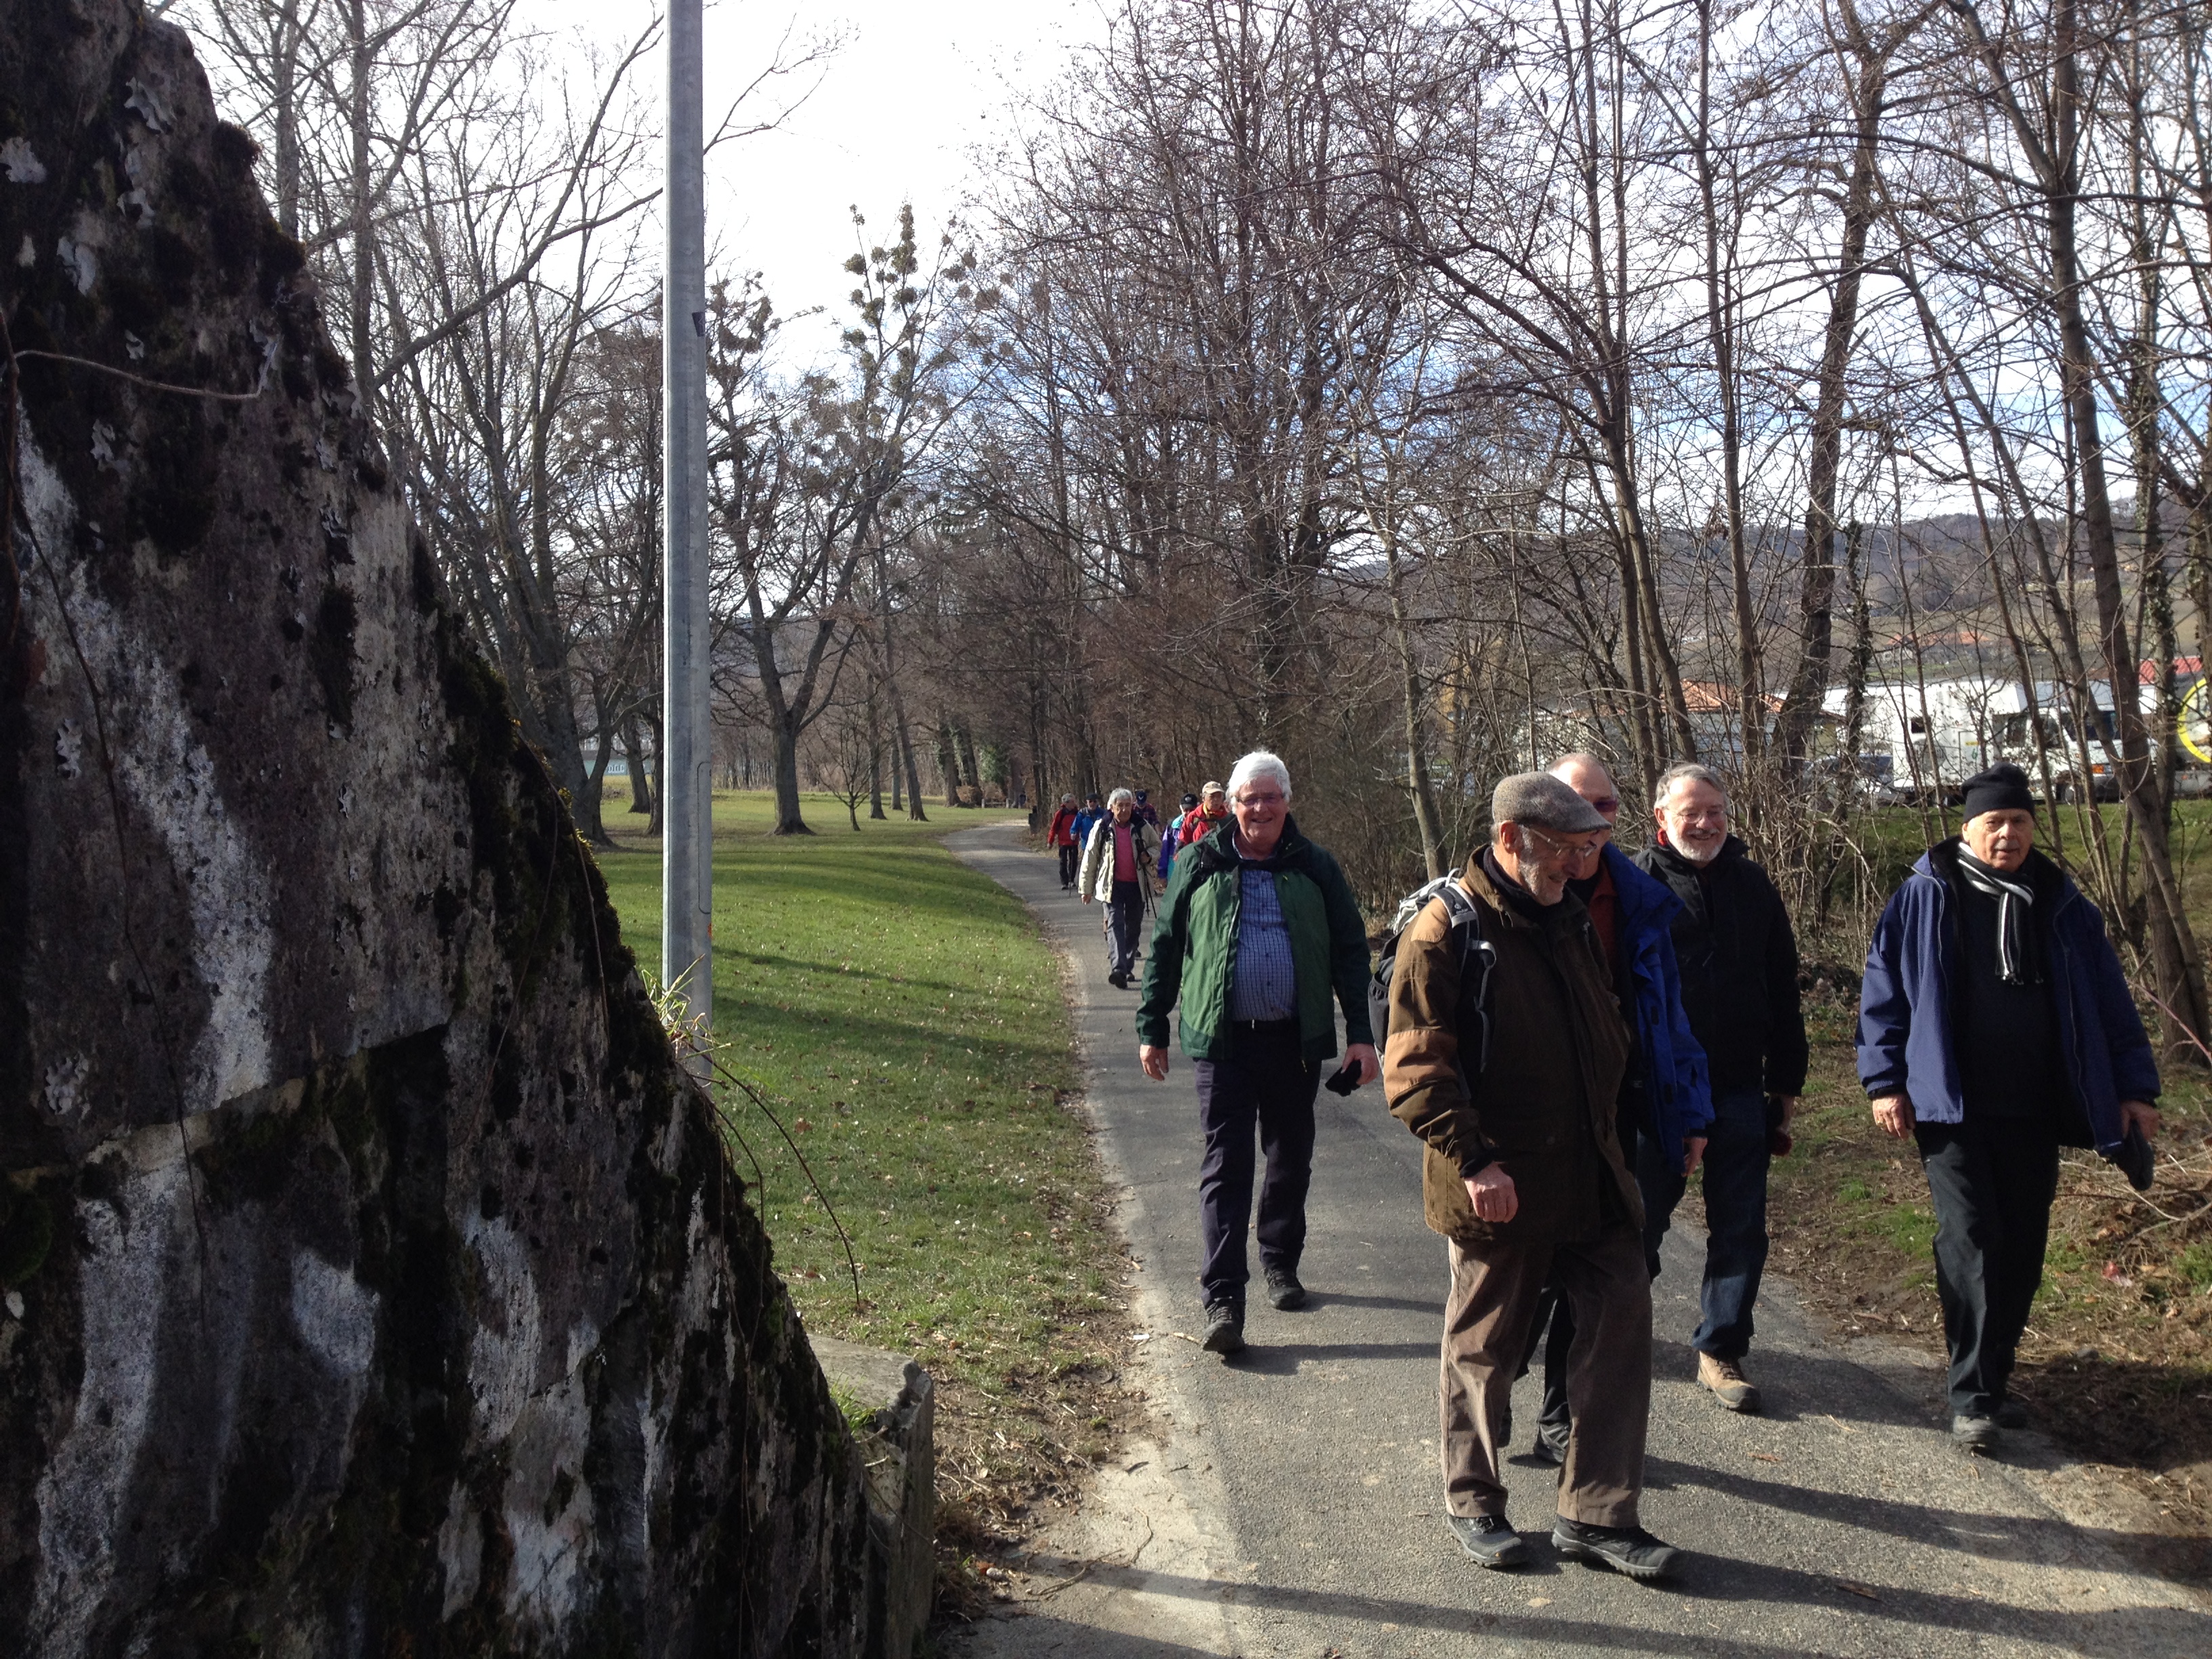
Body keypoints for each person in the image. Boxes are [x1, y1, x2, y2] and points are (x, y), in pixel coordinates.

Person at [1385, 772, 1681, 1578]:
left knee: (1620, 1320)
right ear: (1512, 838)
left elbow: (1607, 1032)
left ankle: (1598, 1514)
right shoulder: (1445, 930)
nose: (1580, 865)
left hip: (1590, 1169)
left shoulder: (1570, 916)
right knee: (1485, 1344)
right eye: (1566, 849)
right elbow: (1415, 1070)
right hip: (1498, 1177)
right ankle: (1474, 1498)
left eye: (1590, 848)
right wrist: (1475, 1160)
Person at [1860, 762, 2160, 1452]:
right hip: (1951, 1105)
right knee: (1970, 1237)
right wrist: (1884, 1081)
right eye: (1994, 822)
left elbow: (2112, 1005)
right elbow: (1884, 991)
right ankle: (1970, 1397)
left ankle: (1994, 1379)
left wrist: (2135, 1090)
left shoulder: (2063, 905)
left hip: (2037, 1106)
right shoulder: (1926, 894)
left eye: (2019, 822)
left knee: (2022, 1243)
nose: (2007, 834)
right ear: (1967, 829)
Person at [1136, 750, 1377, 1355]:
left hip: (1295, 1041)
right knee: (1226, 1166)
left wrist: (1362, 1034)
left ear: (1287, 803)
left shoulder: (1315, 865)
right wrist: (1152, 1026)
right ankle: (1223, 1298)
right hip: (1223, 1042)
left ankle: (1279, 1259)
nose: (1261, 808)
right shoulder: (1200, 862)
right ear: (1232, 805)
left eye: (1271, 798)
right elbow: (1165, 946)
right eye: (1250, 798)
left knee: (1290, 1157)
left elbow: (1351, 950)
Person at [1515, 754, 1712, 1465]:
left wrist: (1691, 1113)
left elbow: (1668, 1015)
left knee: (1606, 1272)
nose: (1592, 822)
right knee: (1527, 1271)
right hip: (1532, 1122)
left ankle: (1563, 1416)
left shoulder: (1636, 899)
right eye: (1576, 804)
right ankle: (1495, 1376)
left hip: (1619, 1115)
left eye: (1604, 807)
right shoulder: (1502, 894)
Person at [1630, 762, 1807, 1416]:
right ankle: (1616, 1330)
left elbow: (1782, 986)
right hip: (1659, 1089)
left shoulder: (1753, 885)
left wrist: (1785, 1082)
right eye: (1691, 813)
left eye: (1715, 813)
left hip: (1737, 1084)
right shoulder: (1634, 885)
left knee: (1741, 1227)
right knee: (1638, 1223)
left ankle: (1721, 1347)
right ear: (1661, 819)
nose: (1705, 825)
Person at [1080, 789, 1162, 988]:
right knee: (1115, 924)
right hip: (1111, 886)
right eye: (1120, 806)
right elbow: (1090, 858)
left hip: (1137, 885)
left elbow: (1157, 846)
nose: (1124, 810)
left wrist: (1149, 856)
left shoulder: (1142, 826)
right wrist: (1086, 888)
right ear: (1112, 807)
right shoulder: (1102, 827)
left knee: (1133, 928)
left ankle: (1126, 966)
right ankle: (1118, 969)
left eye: (1127, 805)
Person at [1159, 792, 1200, 882]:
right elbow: (1165, 850)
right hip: (1175, 871)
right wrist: (1162, 873)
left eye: (1191, 810)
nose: (1188, 813)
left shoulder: (1202, 825)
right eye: (1186, 810)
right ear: (1181, 808)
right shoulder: (1173, 826)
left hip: (1196, 870)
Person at [1179, 781, 1230, 852]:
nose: (1216, 799)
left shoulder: (1228, 817)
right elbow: (1183, 842)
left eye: (1219, 796)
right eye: (1212, 796)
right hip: (1198, 855)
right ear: (1203, 798)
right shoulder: (1194, 817)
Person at [1046, 794, 1082, 891]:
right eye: (1072, 802)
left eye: (1074, 801)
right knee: (1063, 862)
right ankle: (1064, 882)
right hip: (1063, 842)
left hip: (1074, 841)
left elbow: (1081, 826)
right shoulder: (1060, 813)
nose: (1074, 804)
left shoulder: (1077, 813)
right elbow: (1054, 828)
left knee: (1074, 861)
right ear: (1066, 803)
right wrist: (1050, 841)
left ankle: (1071, 880)